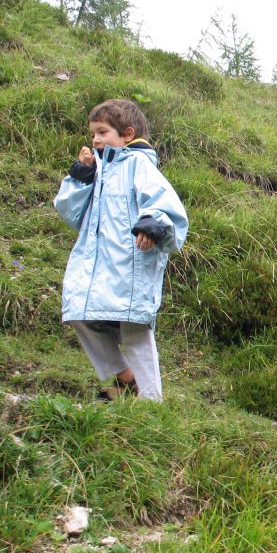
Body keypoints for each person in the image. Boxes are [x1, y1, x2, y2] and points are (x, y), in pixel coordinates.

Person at [54, 99, 188, 401]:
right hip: (96, 264)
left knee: (134, 330)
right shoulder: (98, 170)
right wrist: (80, 176)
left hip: (132, 262)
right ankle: (125, 378)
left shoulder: (138, 164)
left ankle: (151, 401)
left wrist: (153, 224)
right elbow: (70, 212)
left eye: (102, 132)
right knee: (79, 314)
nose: (96, 140)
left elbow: (163, 201)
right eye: (93, 134)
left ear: (127, 134)